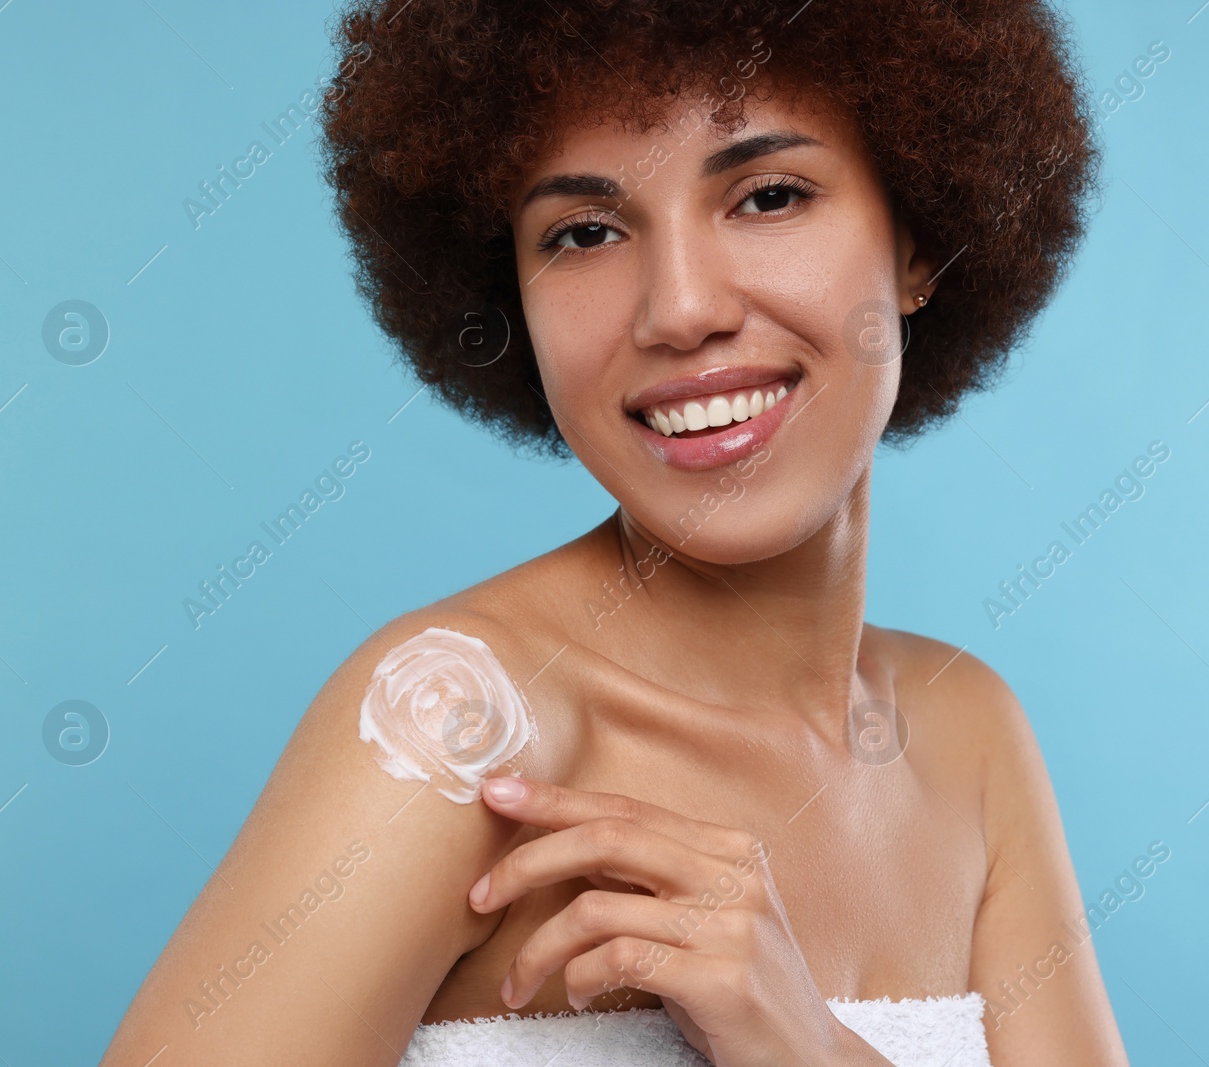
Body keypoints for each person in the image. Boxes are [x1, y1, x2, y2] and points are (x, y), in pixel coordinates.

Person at [100, 0, 1128, 1063]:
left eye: (767, 195)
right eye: (584, 233)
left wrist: (803, 1044)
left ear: (918, 244)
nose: (678, 309)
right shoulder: (460, 731)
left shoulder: (966, 737)